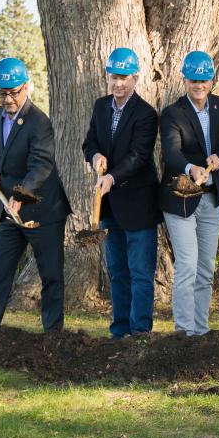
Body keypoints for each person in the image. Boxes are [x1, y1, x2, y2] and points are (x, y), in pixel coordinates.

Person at [0, 57, 71, 332]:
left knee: (51, 275)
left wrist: (21, 195)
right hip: (10, 212)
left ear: (26, 86)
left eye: (14, 92)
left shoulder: (39, 122)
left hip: (43, 211)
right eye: (2, 93)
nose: (7, 99)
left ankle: (53, 335)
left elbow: (41, 165)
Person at [159, 50, 219, 336]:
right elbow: (170, 152)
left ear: (211, 80)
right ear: (185, 79)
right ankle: (183, 332)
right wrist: (191, 168)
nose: (199, 85)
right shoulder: (172, 113)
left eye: (204, 80)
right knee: (188, 267)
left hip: (211, 199)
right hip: (181, 200)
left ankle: (201, 332)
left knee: (205, 270)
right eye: (194, 80)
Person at [81, 47, 160, 339]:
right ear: (107, 76)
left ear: (135, 78)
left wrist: (112, 176)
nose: (119, 84)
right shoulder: (100, 107)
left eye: (125, 78)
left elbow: (139, 157)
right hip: (110, 208)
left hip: (139, 205)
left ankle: (140, 334)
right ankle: (120, 332)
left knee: (140, 274)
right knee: (117, 271)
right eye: (114, 77)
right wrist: (95, 157)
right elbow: (89, 142)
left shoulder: (146, 114)